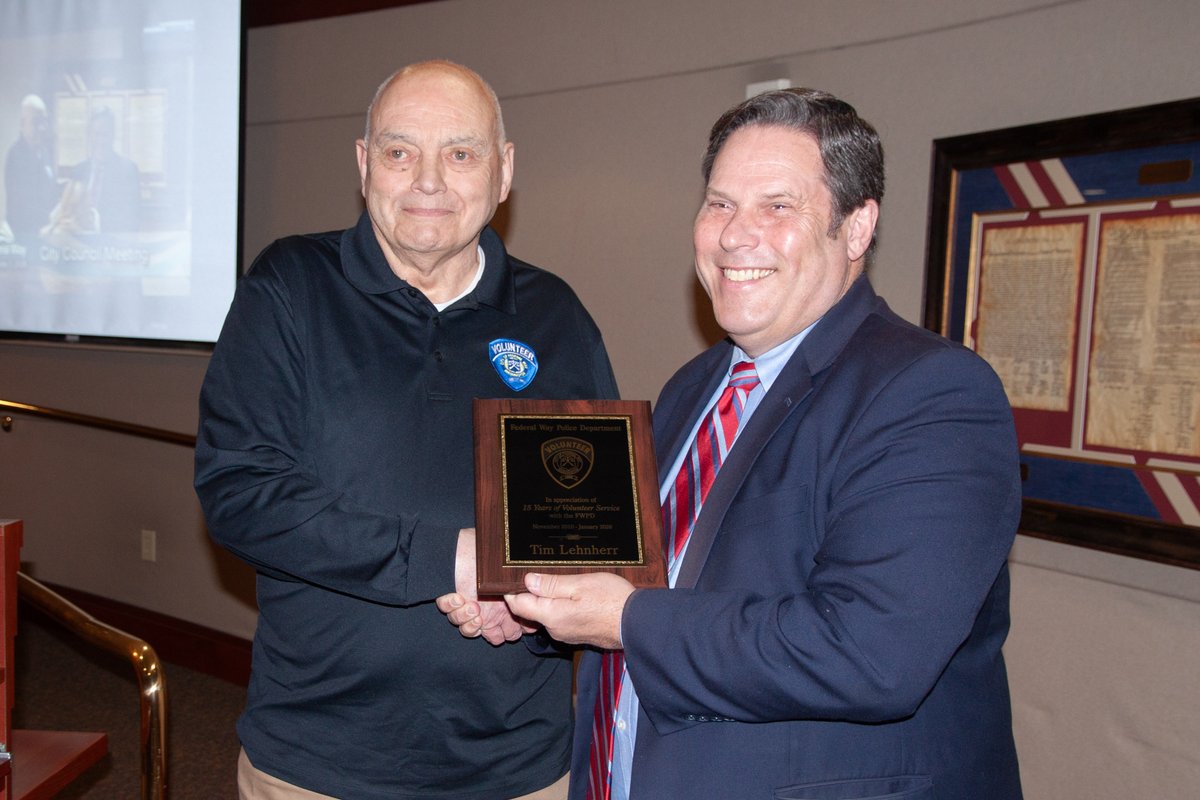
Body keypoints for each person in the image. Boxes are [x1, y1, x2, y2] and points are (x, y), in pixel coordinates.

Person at [442, 88, 1023, 799]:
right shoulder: (697, 386)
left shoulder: (930, 393)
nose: (733, 234)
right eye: (719, 203)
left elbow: (873, 653)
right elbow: (642, 580)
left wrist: (626, 619)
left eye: (777, 206)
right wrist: (532, 601)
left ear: (858, 226)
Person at [195, 60, 618, 800]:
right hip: (314, 765)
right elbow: (241, 492)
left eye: (460, 153)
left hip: (520, 768)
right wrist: (451, 560)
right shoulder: (288, 287)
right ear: (364, 166)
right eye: (399, 152)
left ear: (503, 170)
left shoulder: (558, 317)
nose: (429, 180)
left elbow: (593, 534)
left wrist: (531, 601)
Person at [62, 106, 140, 233]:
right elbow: (67, 211)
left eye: (106, 134)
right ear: (89, 136)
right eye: (96, 134)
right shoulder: (79, 170)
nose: (101, 140)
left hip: (112, 247)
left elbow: (133, 219)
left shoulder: (128, 171)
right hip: (77, 246)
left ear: (113, 135)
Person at [3, 94, 60, 244]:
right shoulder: (15, 156)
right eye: (36, 122)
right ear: (22, 124)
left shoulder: (45, 153)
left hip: (47, 237)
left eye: (44, 121)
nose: (42, 128)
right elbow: (20, 206)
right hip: (25, 239)